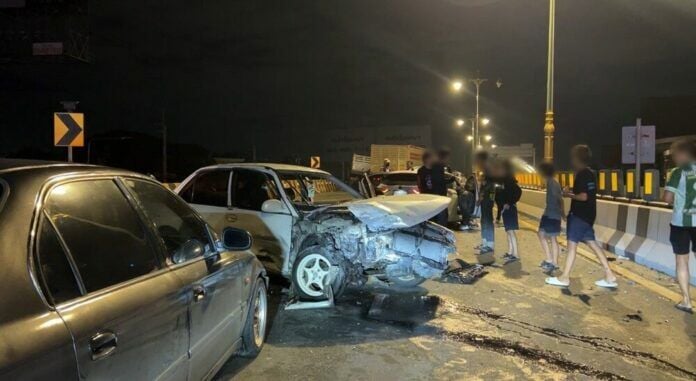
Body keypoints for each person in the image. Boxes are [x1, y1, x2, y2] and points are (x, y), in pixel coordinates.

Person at [546, 145, 617, 288]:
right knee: (593, 244)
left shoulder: (582, 174)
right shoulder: (590, 174)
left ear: (577, 158)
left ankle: (564, 277)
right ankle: (609, 275)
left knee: (572, 246)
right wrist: (572, 190)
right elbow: (587, 193)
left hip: (578, 216)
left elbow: (583, 196)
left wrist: (568, 194)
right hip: (588, 217)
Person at [663, 138, 696, 313]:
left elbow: (667, 198)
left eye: (675, 154)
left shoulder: (678, 172)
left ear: (683, 154)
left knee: (682, 261)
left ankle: (686, 301)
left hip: (680, 223)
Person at [537, 162, 564, 273]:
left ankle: (552, 262)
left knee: (551, 237)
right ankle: (551, 261)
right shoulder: (551, 181)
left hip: (552, 214)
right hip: (549, 214)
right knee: (542, 234)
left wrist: (562, 214)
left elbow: (559, 199)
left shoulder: (552, 182)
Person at [499, 160, 522, 264]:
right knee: (508, 231)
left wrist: (509, 202)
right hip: (506, 209)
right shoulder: (506, 180)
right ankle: (510, 252)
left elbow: (518, 191)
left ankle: (515, 254)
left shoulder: (509, 181)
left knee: (511, 231)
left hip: (510, 209)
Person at [417, 151, 448, 225]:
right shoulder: (421, 171)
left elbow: (443, 182)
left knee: (442, 220)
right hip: (428, 200)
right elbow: (420, 184)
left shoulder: (438, 168)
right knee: (430, 221)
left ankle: (441, 235)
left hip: (440, 199)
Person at [474, 151, 495, 254]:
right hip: (484, 201)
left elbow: (489, 186)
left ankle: (490, 245)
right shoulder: (484, 170)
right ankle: (484, 243)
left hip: (487, 201)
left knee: (488, 222)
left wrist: (481, 197)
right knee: (484, 222)